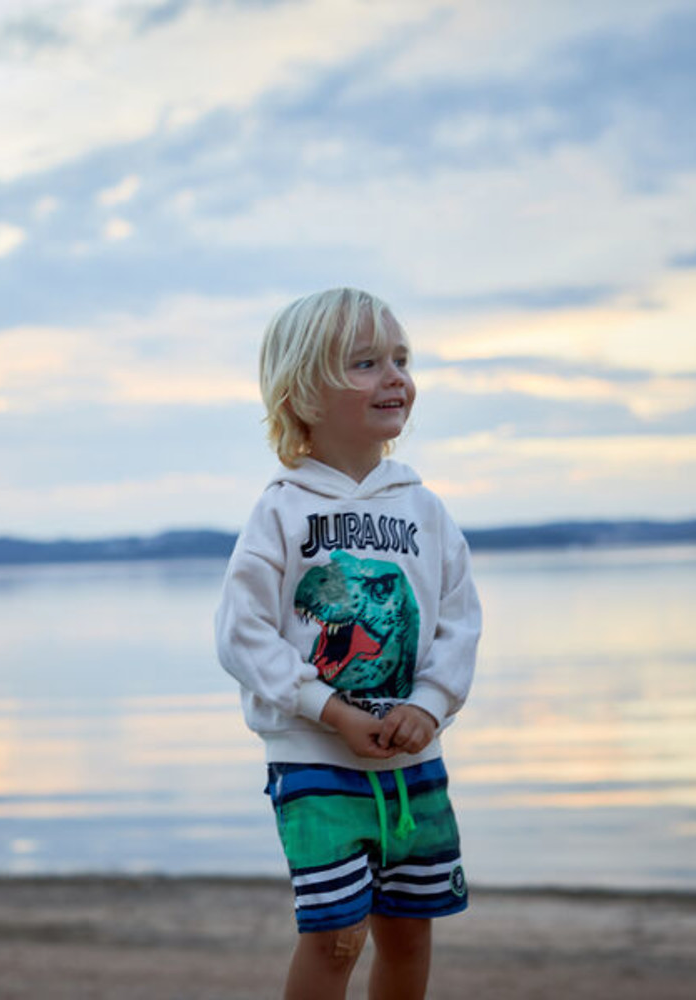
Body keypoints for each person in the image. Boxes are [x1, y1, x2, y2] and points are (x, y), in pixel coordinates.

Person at [214, 287, 480, 999]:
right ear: (303, 394)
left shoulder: (425, 509)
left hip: (414, 759)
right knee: (337, 938)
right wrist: (328, 709)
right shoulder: (281, 510)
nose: (394, 377)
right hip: (315, 758)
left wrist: (430, 704)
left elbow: (459, 620)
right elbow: (241, 632)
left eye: (401, 360)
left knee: (409, 932)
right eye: (366, 363)